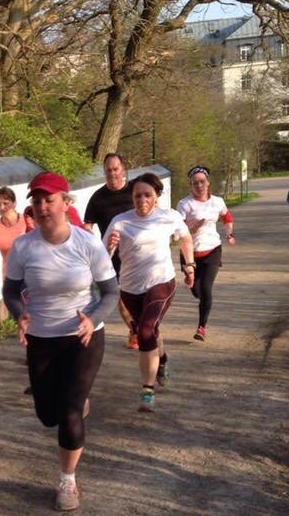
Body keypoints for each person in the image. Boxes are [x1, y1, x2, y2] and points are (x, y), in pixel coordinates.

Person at [3, 172, 119, 511]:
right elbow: (11, 291)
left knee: (69, 413)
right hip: (41, 338)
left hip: (83, 337)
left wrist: (92, 319)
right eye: (36, 201)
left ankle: (67, 480)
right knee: (47, 414)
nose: (42, 207)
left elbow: (110, 292)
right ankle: (77, 401)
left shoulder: (87, 244)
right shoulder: (24, 246)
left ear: (66, 203)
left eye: (49, 200)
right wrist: (19, 314)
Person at [103, 172, 195, 413]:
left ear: (156, 196)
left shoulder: (168, 217)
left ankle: (147, 390)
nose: (142, 200)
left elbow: (186, 238)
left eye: (147, 195)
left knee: (144, 331)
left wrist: (190, 265)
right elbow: (103, 256)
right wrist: (111, 246)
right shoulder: (120, 221)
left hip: (161, 282)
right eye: (137, 196)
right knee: (150, 331)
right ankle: (162, 360)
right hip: (130, 288)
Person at [84, 152, 138, 349]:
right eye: (108, 170)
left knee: (140, 295)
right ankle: (135, 331)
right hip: (112, 255)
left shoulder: (135, 191)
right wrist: (92, 249)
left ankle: (144, 327)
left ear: (123, 169)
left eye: (115, 169)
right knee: (120, 297)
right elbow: (87, 227)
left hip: (138, 253)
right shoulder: (98, 198)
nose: (112, 173)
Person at [177, 166, 235, 341]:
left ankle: (201, 327)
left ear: (208, 182)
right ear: (191, 185)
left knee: (206, 289)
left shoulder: (217, 202)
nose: (199, 185)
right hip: (190, 253)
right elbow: (177, 232)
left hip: (212, 250)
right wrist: (192, 229)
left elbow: (227, 217)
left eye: (202, 181)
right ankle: (192, 281)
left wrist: (229, 234)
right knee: (197, 292)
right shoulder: (184, 204)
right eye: (195, 183)